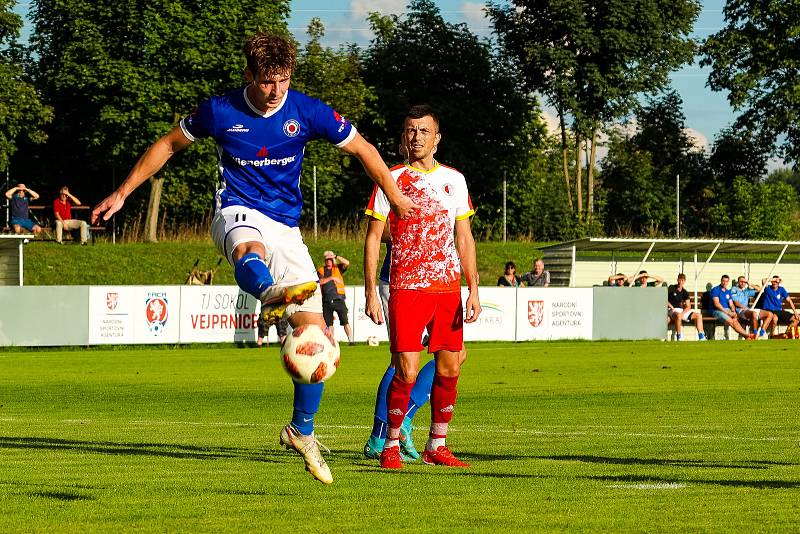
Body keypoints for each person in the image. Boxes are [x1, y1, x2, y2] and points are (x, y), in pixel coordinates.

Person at [91, 32, 414, 485]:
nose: (276, 91)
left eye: (283, 80)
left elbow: (363, 149)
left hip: (287, 228)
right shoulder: (220, 111)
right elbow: (167, 145)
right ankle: (269, 292)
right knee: (250, 249)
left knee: (316, 335)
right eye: (266, 81)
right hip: (235, 211)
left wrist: (395, 195)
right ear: (249, 75)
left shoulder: (308, 111)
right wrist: (123, 193)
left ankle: (301, 430)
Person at [364, 104, 480, 470]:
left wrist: (473, 287)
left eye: (424, 131)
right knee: (407, 370)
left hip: (447, 288)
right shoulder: (390, 178)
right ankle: (390, 446)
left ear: (437, 138)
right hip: (406, 287)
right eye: (411, 131)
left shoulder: (455, 180)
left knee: (450, 368)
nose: (416, 137)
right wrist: (370, 290)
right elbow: (372, 237)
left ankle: (437, 445)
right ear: (404, 137)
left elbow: (464, 236)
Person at [317, 250, 353, 344]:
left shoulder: (337, 268)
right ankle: (331, 342)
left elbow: (347, 262)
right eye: (327, 260)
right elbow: (319, 282)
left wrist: (336, 256)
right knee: (329, 324)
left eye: (330, 259)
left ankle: (351, 341)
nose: (328, 262)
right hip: (326, 300)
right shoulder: (321, 270)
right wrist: (331, 278)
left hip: (339, 299)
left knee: (345, 321)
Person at [708, 275, 756, 339]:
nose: (725, 283)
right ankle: (748, 335)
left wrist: (733, 311)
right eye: (723, 281)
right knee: (731, 321)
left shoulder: (728, 292)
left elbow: (731, 304)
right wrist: (728, 313)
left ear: (728, 282)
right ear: (721, 281)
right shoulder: (716, 289)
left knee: (735, 320)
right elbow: (717, 304)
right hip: (717, 311)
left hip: (727, 310)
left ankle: (747, 336)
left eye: (726, 281)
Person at [667, 273, 706, 341]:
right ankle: (679, 336)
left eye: (682, 280)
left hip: (681, 311)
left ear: (684, 281)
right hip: (671, 310)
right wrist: (671, 306)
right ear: (677, 280)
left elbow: (688, 306)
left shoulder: (685, 292)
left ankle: (701, 336)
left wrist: (683, 313)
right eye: (680, 280)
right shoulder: (671, 287)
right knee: (678, 315)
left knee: (699, 315)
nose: (681, 282)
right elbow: (664, 299)